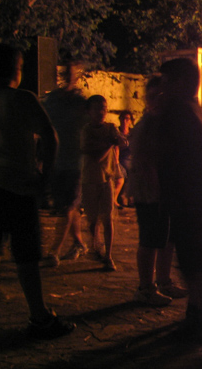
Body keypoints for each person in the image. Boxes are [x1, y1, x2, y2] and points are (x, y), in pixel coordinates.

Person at [0, 43, 75, 338]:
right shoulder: (24, 99)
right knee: (26, 256)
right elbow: (50, 137)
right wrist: (45, 177)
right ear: (16, 71)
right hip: (18, 187)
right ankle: (39, 316)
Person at [157, 58, 202, 340]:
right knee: (199, 255)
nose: (163, 87)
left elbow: (163, 151)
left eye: (166, 81)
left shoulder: (178, 110)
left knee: (193, 258)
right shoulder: (201, 110)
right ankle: (198, 313)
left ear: (180, 83)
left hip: (190, 191)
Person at [130, 75, 186, 307]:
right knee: (150, 239)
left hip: (166, 191)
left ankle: (163, 281)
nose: (157, 101)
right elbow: (144, 163)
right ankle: (145, 287)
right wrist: (157, 190)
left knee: (166, 238)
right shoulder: (145, 128)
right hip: (150, 193)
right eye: (152, 96)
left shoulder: (166, 125)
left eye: (161, 96)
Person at [42, 60, 89, 267]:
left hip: (75, 161)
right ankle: (79, 243)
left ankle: (54, 251)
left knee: (68, 206)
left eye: (73, 72)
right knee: (66, 205)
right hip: (55, 159)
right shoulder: (52, 100)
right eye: (66, 71)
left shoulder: (81, 102)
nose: (69, 75)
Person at [81, 94, 127, 272]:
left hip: (107, 179)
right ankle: (96, 247)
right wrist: (110, 143)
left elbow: (123, 141)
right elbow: (95, 155)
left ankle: (108, 255)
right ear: (89, 111)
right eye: (98, 108)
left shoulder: (110, 127)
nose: (102, 112)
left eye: (104, 108)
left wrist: (116, 140)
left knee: (108, 218)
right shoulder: (87, 131)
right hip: (90, 180)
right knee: (93, 220)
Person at [115, 110, 134, 209]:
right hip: (119, 160)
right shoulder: (116, 132)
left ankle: (131, 200)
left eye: (127, 119)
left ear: (130, 121)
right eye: (123, 118)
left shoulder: (133, 133)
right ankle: (114, 199)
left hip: (131, 160)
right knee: (121, 176)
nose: (125, 121)